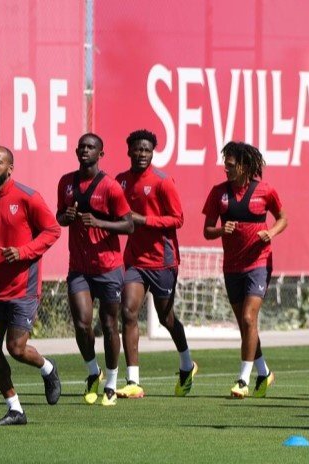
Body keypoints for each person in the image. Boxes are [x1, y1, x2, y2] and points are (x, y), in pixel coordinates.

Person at [0, 146, 62, 425]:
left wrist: (24, 251)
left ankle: (48, 367)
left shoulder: (28, 198)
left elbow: (52, 230)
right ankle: (15, 408)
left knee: (16, 348)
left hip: (23, 288)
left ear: (10, 168)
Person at [115, 130, 197, 399]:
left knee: (166, 318)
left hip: (163, 261)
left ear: (152, 153)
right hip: (134, 261)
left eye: (147, 151)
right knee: (128, 312)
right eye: (137, 150)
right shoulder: (120, 182)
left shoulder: (163, 181)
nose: (141, 154)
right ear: (129, 151)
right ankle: (133, 381)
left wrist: (144, 220)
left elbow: (177, 219)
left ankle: (187, 364)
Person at [202, 141, 287, 399]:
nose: (225, 168)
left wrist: (270, 232)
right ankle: (264, 372)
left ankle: (242, 379)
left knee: (250, 319)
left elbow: (283, 218)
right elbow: (207, 230)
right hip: (232, 266)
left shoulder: (265, 190)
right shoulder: (218, 192)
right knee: (245, 325)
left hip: (259, 262)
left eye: (230, 164)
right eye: (225, 164)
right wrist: (220, 230)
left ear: (244, 166)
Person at [57, 133, 134, 406]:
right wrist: (64, 218)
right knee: (81, 322)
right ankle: (93, 371)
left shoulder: (111, 187)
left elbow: (128, 225)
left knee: (110, 324)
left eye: (91, 147)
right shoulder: (66, 182)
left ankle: (112, 383)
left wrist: (99, 223)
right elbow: (59, 216)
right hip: (79, 267)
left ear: (101, 154)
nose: (85, 151)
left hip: (108, 268)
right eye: (82, 147)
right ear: (76, 151)